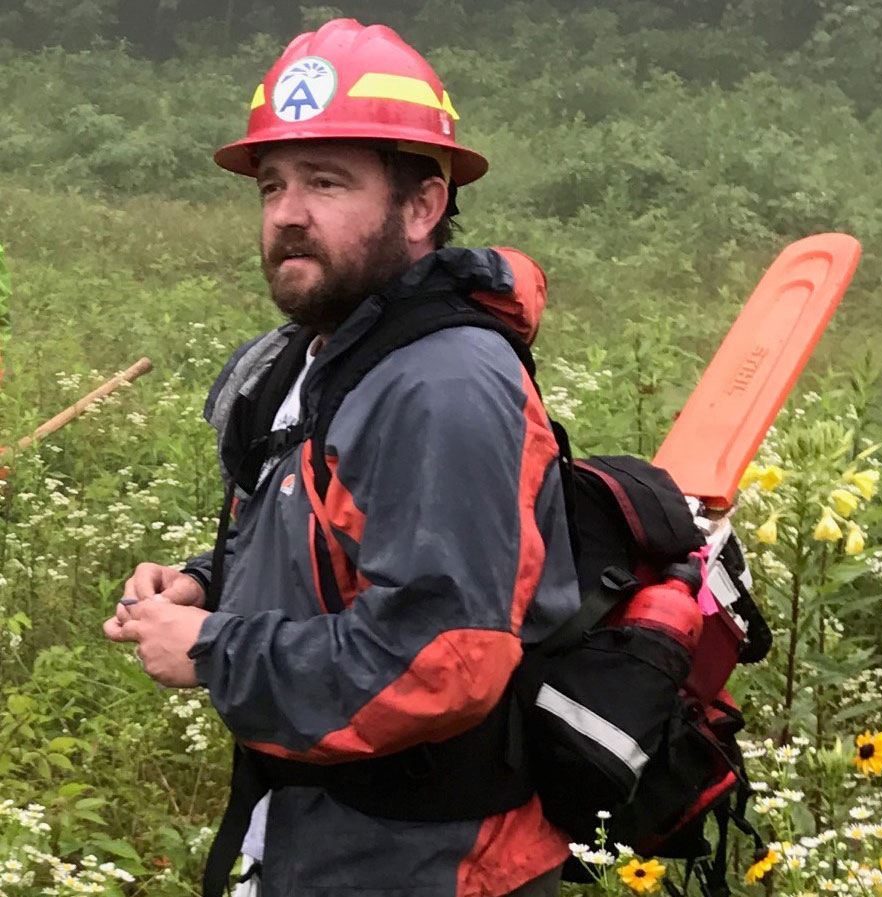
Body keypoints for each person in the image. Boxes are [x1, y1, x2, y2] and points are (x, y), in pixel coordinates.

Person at [103, 18, 580, 897]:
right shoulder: (312, 356)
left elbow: (446, 655)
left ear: (423, 204)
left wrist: (214, 651)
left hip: (432, 862)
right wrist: (206, 585)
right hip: (311, 838)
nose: (287, 213)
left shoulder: (444, 383)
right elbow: (334, 543)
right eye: (272, 184)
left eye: (326, 182)